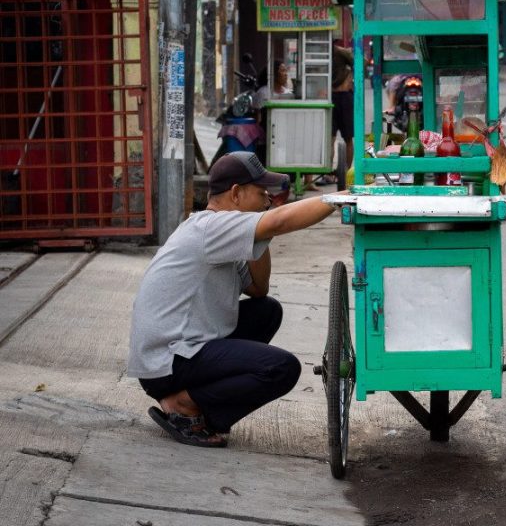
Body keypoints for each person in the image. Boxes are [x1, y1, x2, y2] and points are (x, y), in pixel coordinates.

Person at [128, 152, 341, 447]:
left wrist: (258, 234)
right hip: (166, 361)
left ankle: (192, 398)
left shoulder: (222, 232)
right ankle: (186, 406)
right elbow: (279, 221)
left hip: (179, 351)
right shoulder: (210, 227)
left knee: (267, 311)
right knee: (282, 368)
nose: (267, 202)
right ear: (236, 194)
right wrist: (344, 196)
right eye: (261, 194)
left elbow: (258, 288)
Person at [330, 47, 355, 183]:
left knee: (347, 138)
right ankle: (332, 172)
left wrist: (349, 78)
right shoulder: (324, 51)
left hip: (343, 96)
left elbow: (362, 62)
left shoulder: (339, 51)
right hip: (333, 97)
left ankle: (346, 172)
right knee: (331, 139)